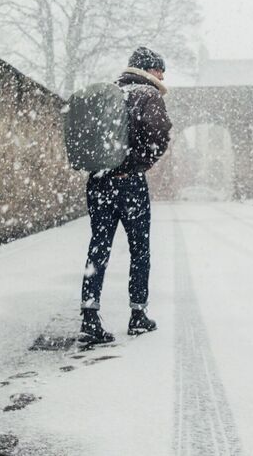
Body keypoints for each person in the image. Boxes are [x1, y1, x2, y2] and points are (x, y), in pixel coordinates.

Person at [79, 47, 172, 344]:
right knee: (139, 249)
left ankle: (90, 315)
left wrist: (107, 166)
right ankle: (138, 314)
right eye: (161, 70)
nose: (163, 76)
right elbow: (159, 136)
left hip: (98, 181)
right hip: (129, 183)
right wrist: (137, 164)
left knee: (99, 247)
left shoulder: (111, 92)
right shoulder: (148, 95)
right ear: (150, 70)